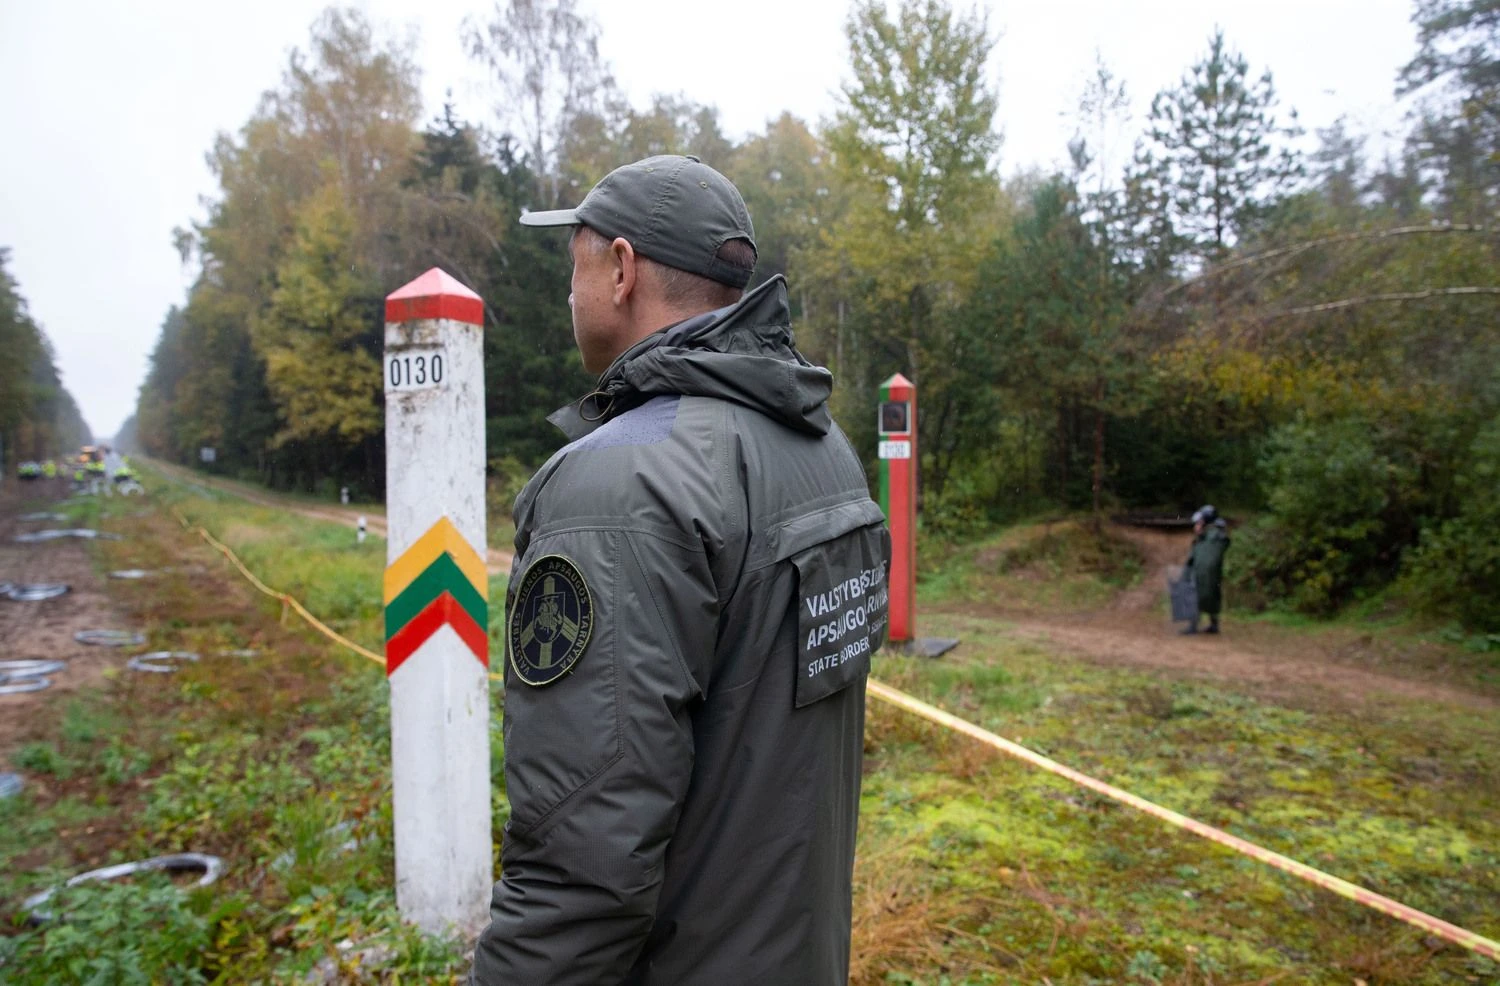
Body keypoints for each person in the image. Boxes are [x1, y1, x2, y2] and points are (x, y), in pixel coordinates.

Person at [471, 155, 891, 986]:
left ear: (621, 270)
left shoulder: (616, 485)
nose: (569, 293)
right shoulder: (821, 447)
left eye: (576, 264)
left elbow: (582, 866)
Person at [1182, 505, 1231, 634]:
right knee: (1209, 594)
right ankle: (1212, 624)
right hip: (1208, 572)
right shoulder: (1208, 535)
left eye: (1199, 522)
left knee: (1201, 593)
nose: (1196, 526)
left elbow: (1208, 556)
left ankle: (1195, 625)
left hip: (1206, 572)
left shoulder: (1214, 536)